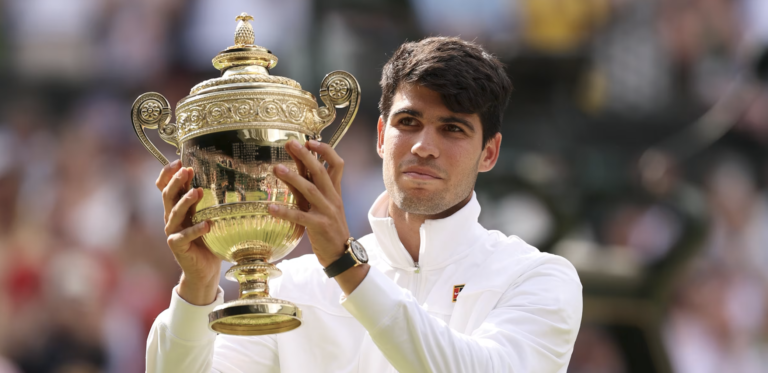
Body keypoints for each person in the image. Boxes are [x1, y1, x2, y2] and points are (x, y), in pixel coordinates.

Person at [146, 37, 583, 373]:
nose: (424, 147)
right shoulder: (290, 287)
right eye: (408, 123)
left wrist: (346, 265)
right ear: (380, 136)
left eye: (452, 129)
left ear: (490, 152)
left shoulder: (537, 278)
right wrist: (198, 289)